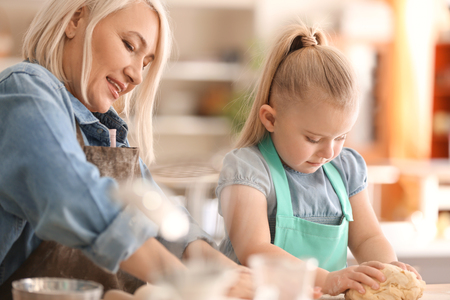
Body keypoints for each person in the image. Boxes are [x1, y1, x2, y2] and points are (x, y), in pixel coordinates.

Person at [0, 0, 252, 299]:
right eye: (129, 45)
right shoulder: (24, 92)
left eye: (146, 62)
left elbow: (159, 216)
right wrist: (186, 283)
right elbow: (73, 197)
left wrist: (232, 276)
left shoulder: (104, 133)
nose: (138, 76)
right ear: (75, 20)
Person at [216, 22, 422, 296]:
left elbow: (367, 238)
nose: (329, 152)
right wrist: (327, 280)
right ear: (270, 119)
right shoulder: (248, 169)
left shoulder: (344, 168)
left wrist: (386, 270)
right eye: (313, 139)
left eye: (341, 137)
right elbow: (256, 251)